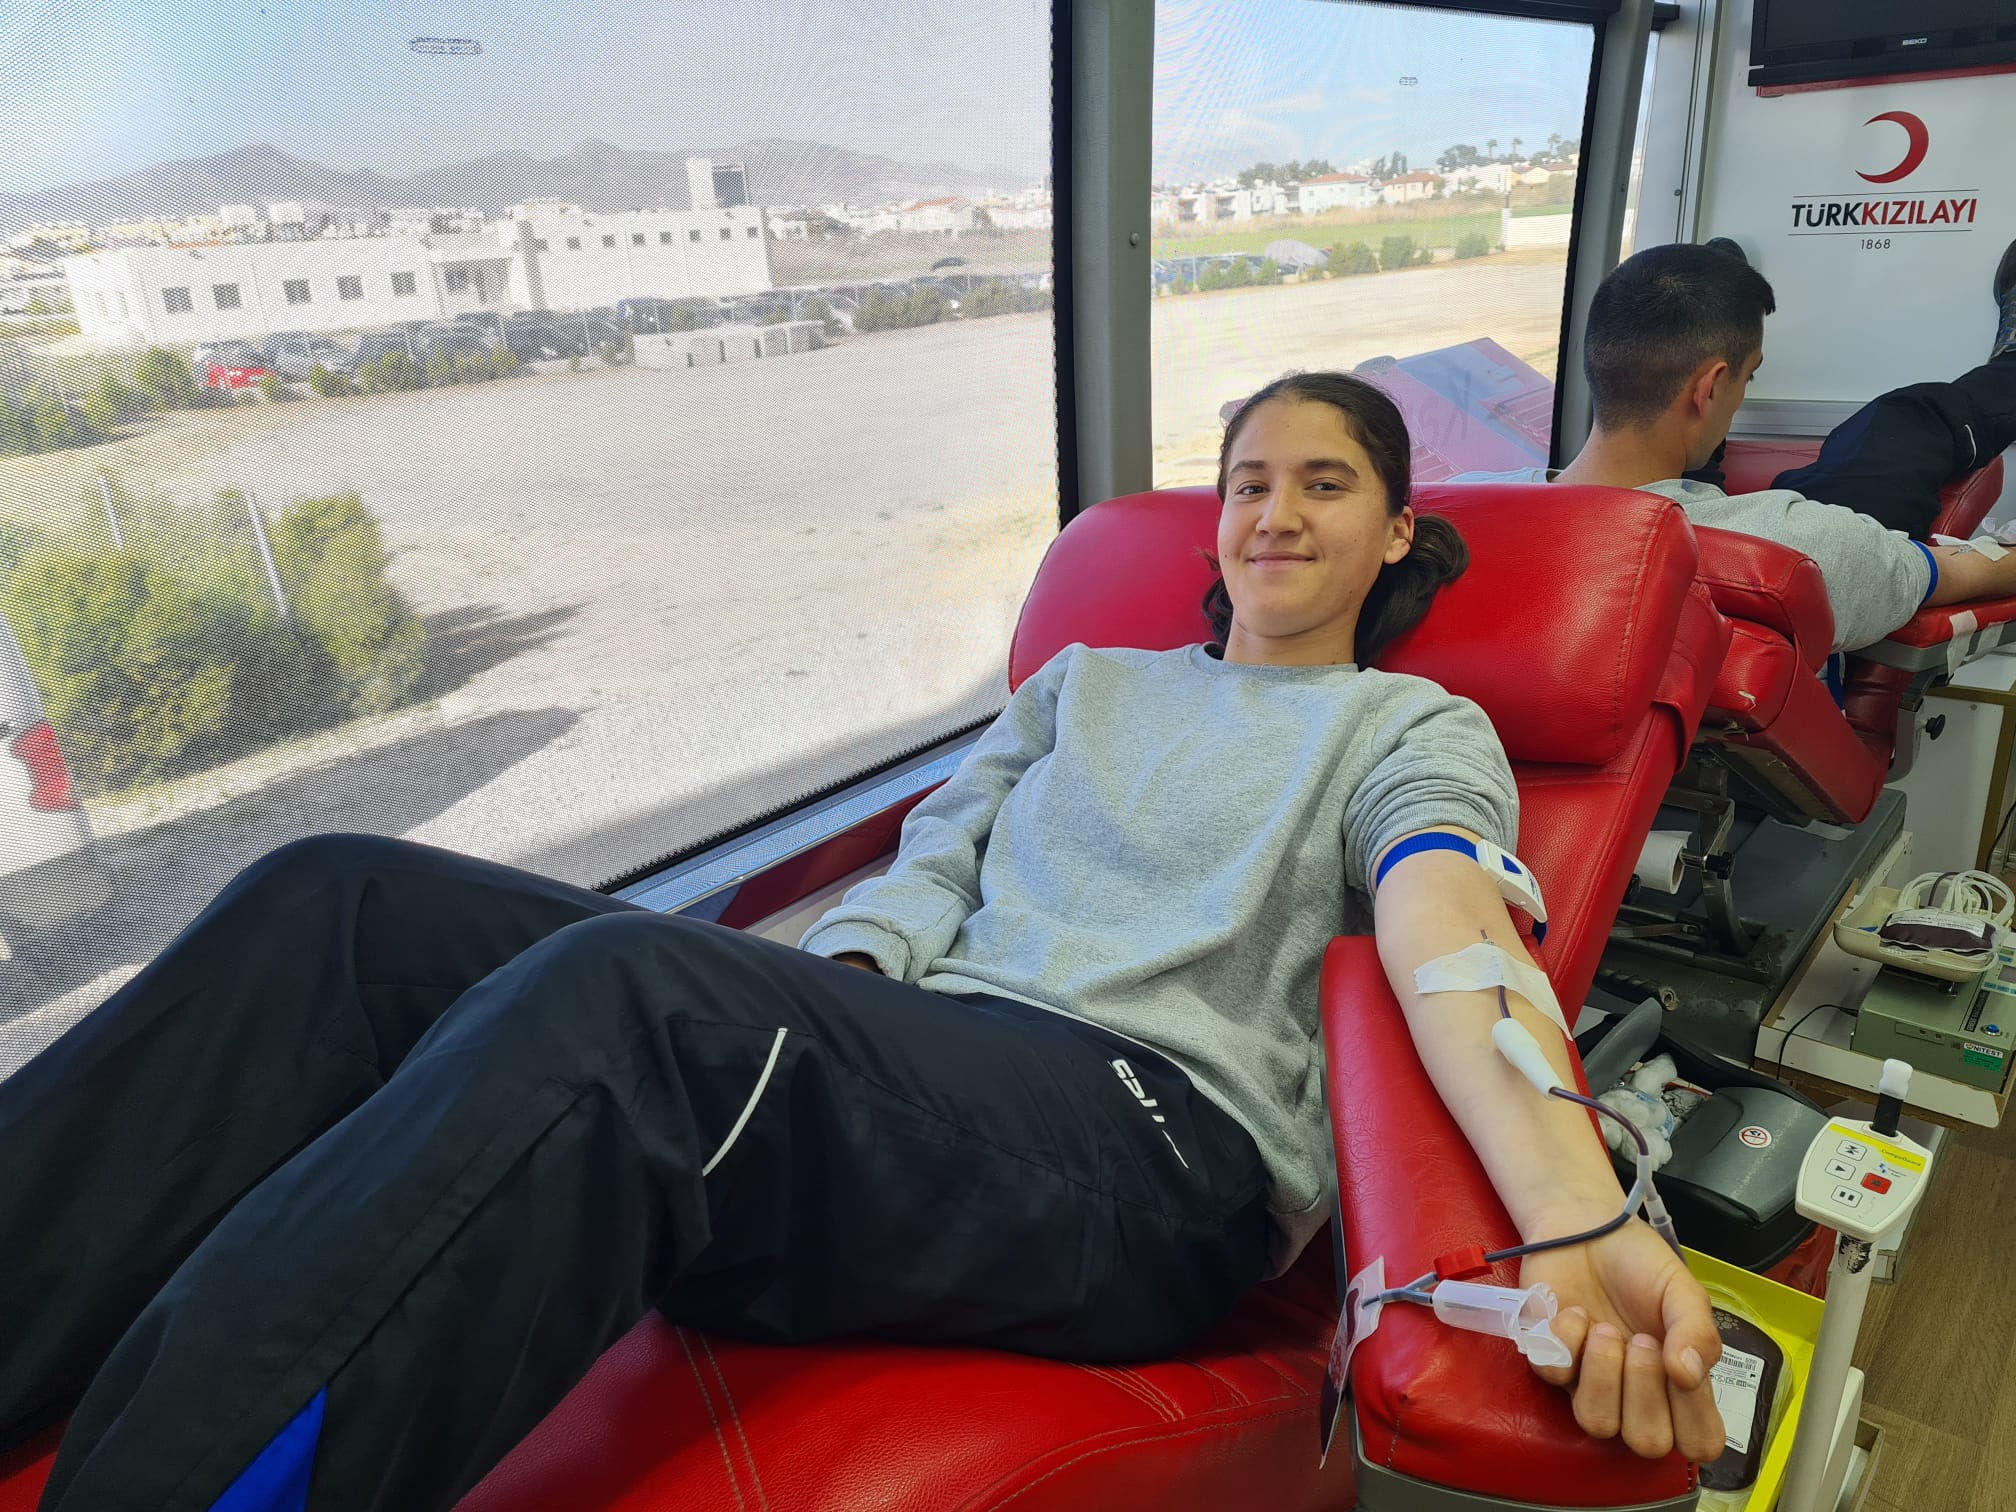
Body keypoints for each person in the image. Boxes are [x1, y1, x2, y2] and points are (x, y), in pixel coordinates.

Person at [0, 372, 1724, 1512]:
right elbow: (927, 865)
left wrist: (1575, 1210)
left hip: (1146, 1149)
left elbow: (1450, 927)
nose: (1274, 512)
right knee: (341, 900)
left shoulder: (1406, 726)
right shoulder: (1087, 684)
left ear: (1398, 530)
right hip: (938, 1079)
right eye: (1247, 482)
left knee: (628, 1002)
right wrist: (817, 1000)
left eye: (1325, 484)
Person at [1466, 238, 2016, 653]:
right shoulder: (1804, 549)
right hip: (1750, 542)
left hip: (1659, 522)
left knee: (1687, 465)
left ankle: (1703, 317)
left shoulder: (1456, 510)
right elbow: (1981, 571)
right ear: (1710, 389)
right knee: (1904, 420)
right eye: (1747, 377)